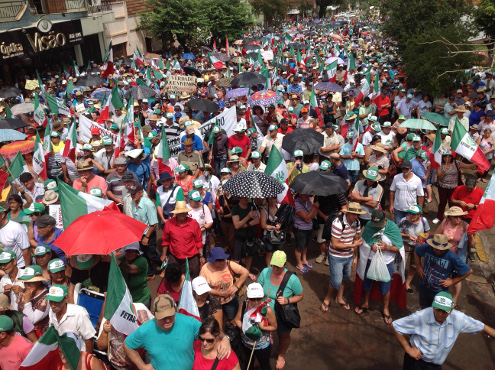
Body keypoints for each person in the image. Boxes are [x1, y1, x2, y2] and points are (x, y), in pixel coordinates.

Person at [124, 293, 231, 370]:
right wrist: (142, 366)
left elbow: (211, 330)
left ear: (175, 310)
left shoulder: (189, 323)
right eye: (162, 317)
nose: (167, 320)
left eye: (170, 315)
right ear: (154, 314)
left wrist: (225, 338)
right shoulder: (145, 330)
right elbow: (127, 345)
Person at [391, 291, 495, 369]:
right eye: (438, 310)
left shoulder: (458, 319)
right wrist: (408, 349)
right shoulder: (421, 317)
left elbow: (483, 328)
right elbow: (395, 326)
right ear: (433, 307)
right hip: (416, 363)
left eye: (444, 312)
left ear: (451, 310)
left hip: (436, 365)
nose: (440, 314)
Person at [355, 210, 404, 324]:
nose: (376, 227)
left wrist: (387, 248)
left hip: (387, 263)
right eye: (374, 225)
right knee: (367, 283)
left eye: (379, 225)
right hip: (370, 260)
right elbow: (366, 238)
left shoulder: (393, 228)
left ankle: (385, 309)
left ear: (385, 221)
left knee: (385, 287)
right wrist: (371, 244)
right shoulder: (369, 225)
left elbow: (399, 248)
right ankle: (366, 302)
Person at [257, 251, 303, 370]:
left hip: (282, 315)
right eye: (273, 265)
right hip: (264, 313)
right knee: (261, 334)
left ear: (285, 264)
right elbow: (258, 288)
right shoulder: (265, 272)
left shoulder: (292, 279)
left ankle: (281, 355)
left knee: (283, 335)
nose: (275, 268)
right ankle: (259, 355)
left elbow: (300, 295)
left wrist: (287, 300)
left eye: (279, 265)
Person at [321, 202, 364, 312]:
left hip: (349, 256)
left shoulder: (357, 222)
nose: (356, 217)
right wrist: (352, 246)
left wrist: (355, 257)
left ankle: (339, 297)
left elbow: (356, 238)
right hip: (336, 256)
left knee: (345, 277)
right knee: (336, 280)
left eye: (358, 215)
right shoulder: (338, 223)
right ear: (348, 213)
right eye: (354, 214)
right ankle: (327, 298)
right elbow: (335, 244)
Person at [200, 247, 249, 325]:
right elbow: (202, 287)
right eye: (219, 260)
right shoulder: (205, 269)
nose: (222, 262)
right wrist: (220, 294)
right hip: (213, 302)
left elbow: (245, 272)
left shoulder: (229, 264)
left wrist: (236, 287)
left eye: (223, 259)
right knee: (217, 323)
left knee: (232, 320)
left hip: (230, 300)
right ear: (213, 260)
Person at [234, 283, 277, 370]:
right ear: (248, 298)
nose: (256, 302)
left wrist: (263, 327)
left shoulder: (267, 310)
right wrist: (245, 328)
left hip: (262, 345)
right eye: (253, 299)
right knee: (247, 364)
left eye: (259, 299)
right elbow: (237, 320)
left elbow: (274, 326)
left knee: (265, 365)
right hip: (246, 343)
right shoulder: (244, 305)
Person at [161, 199, 204, 279]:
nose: (182, 214)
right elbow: (165, 240)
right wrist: (163, 255)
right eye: (180, 212)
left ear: (187, 213)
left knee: (194, 277)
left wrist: (201, 256)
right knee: (173, 278)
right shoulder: (169, 223)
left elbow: (198, 241)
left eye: (184, 212)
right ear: (176, 213)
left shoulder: (194, 223)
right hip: (175, 256)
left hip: (191, 257)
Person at [46, 284, 95, 352]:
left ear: (66, 299)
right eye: (50, 301)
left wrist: (87, 359)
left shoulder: (80, 314)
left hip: (77, 352)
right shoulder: (52, 310)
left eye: (56, 301)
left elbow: (89, 338)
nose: (53, 305)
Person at [433, 151, 476, 224]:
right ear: (443, 157)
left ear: (451, 157)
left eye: (449, 156)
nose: (447, 158)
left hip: (454, 188)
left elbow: (468, 166)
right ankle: (439, 217)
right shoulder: (439, 165)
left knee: (452, 203)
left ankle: (451, 217)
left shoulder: (457, 163)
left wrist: (477, 163)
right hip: (442, 187)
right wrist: (443, 172)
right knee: (442, 203)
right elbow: (439, 178)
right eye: (445, 156)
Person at [129, 185, 161, 279]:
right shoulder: (132, 202)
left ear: (141, 193)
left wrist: (146, 237)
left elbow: (153, 223)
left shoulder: (148, 204)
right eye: (131, 193)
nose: (132, 195)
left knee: (152, 254)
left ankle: (165, 266)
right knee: (143, 253)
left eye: (134, 193)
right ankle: (150, 273)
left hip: (148, 234)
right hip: (139, 233)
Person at [398, 205, 430, 294]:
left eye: (414, 214)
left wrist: (423, 237)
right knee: (401, 263)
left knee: (413, 265)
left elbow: (427, 232)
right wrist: (407, 235)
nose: (411, 216)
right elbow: (398, 233)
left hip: (418, 246)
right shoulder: (403, 220)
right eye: (410, 213)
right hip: (406, 244)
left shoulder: (424, 221)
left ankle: (407, 284)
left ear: (419, 215)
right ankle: (399, 283)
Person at [16, 265, 50, 335]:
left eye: (31, 282)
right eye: (25, 281)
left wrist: (27, 301)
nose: (27, 285)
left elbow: (31, 320)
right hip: (22, 333)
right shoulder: (23, 292)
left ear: (39, 282)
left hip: (41, 337)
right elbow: (16, 311)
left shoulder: (47, 297)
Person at [389, 160, 425, 225]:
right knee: (398, 228)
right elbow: (392, 191)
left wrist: (420, 209)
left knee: (409, 229)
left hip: (411, 210)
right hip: (398, 208)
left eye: (407, 169)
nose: (405, 170)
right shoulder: (396, 178)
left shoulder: (417, 180)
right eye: (403, 168)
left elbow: (420, 196)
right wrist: (391, 205)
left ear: (411, 169)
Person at [118, 242, 151, 308]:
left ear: (137, 253)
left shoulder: (142, 261)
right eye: (128, 251)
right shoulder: (121, 259)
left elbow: (130, 269)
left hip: (141, 301)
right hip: (126, 300)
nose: (130, 254)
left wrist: (112, 260)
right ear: (125, 252)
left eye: (133, 251)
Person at [232, 197, 259, 272]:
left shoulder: (252, 206)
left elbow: (257, 221)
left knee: (249, 254)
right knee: (237, 256)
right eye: (244, 198)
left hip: (250, 234)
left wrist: (245, 225)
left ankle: (247, 271)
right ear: (239, 198)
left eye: (247, 197)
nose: (246, 199)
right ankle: (235, 273)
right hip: (239, 235)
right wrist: (248, 217)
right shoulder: (235, 208)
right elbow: (236, 225)